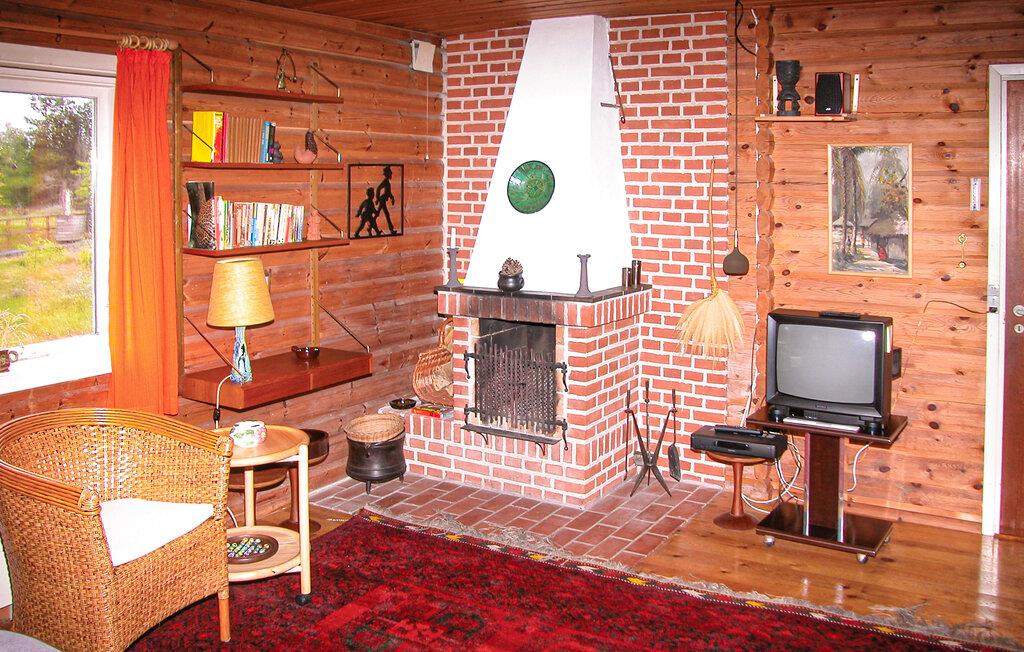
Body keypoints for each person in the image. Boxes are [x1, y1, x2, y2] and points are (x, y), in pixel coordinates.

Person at [375, 165, 398, 235]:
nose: (391, 175)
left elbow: (388, 192)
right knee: (386, 214)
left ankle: (370, 226)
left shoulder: (387, 181)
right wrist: (377, 199)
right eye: (390, 173)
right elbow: (378, 188)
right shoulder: (385, 181)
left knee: (378, 214)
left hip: (383, 200)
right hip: (382, 200)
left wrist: (392, 198)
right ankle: (391, 230)